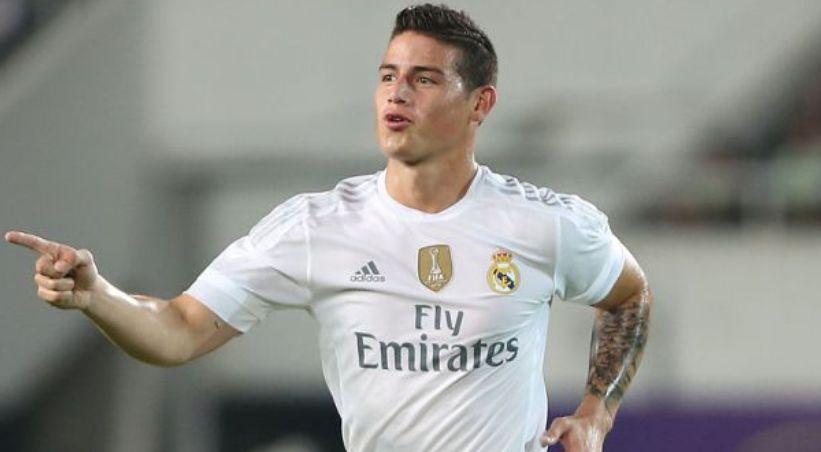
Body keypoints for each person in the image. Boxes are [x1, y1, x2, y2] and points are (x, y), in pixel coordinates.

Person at [5, 4, 652, 451]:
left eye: (424, 80)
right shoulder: (316, 228)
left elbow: (629, 294)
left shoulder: (543, 224)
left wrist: (596, 413)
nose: (397, 94)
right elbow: (179, 329)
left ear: (480, 103)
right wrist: (98, 297)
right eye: (388, 77)